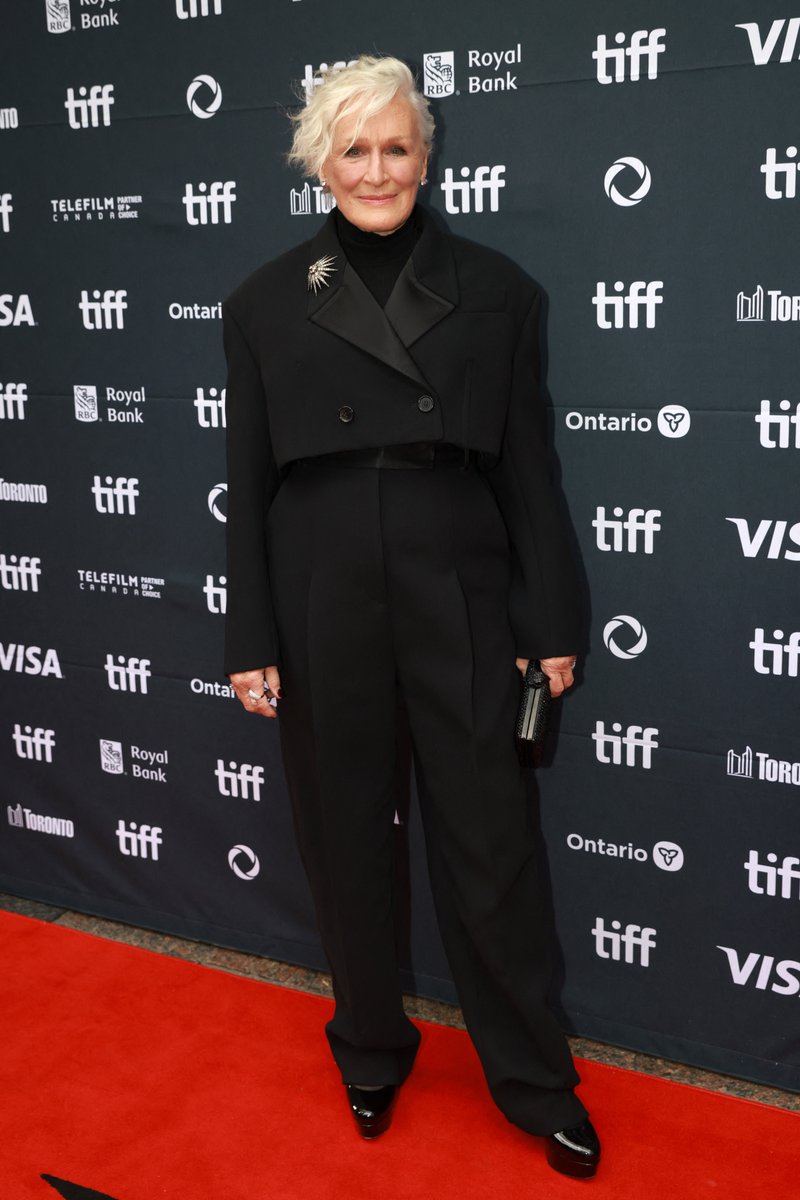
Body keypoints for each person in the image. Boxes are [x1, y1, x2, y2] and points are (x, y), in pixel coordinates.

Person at [222, 55, 600, 1179]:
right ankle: (371, 1048)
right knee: (343, 837)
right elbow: (247, 482)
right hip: (320, 583)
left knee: (491, 843)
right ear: (318, 163)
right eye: (354, 149)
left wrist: (551, 621)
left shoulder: (498, 290)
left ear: (427, 158)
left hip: (460, 582)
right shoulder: (261, 303)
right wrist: (250, 637)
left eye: (396, 147)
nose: (377, 170)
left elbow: (530, 473)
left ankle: (534, 1079)